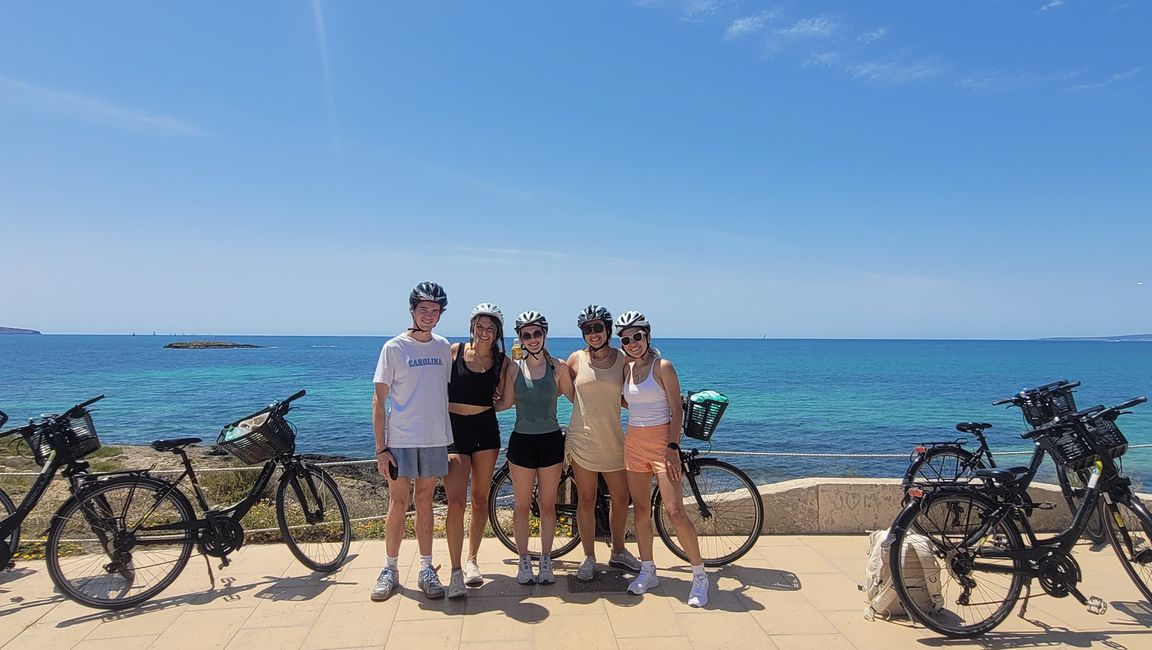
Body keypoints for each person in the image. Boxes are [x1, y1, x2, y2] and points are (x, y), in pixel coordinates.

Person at [616, 310, 710, 607]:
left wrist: (672, 446)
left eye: (637, 337)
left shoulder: (663, 366)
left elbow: (676, 409)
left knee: (674, 511)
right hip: (633, 443)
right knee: (641, 510)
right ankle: (648, 570)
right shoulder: (627, 370)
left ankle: (699, 576)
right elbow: (624, 400)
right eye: (626, 339)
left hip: (662, 445)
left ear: (648, 336)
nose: (632, 343)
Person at [370, 282, 453, 602]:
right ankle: (389, 568)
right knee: (398, 502)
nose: (429, 316)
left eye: (435, 311)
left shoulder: (443, 346)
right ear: (412, 310)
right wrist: (381, 448)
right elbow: (379, 400)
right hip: (401, 440)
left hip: (434, 438)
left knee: (425, 502)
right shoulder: (393, 348)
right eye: (423, 310)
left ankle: (427, 568)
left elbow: (443, 391)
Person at [495, 310, 574, 585]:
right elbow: (504, 403)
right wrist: (470, 411)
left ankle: (546, 560)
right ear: (520, 338)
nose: (532, 339)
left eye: (537, 333)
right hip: (522, 442)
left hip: (551, 441)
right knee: (521, 505)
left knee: (548, 505)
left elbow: (577, 399)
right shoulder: (514, 369)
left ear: (545, 334)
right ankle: (524, 560)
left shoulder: (558, 367)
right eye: (526, 335)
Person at [564, 305, 641, 580]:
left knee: (621, 498)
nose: (593, 333)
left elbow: (634, 390)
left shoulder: (622, 359)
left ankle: (618, 551)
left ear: (608, 329)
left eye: (597, 327)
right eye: (587, 329)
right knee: (586, 498)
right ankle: (588, 557)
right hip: (582, 439)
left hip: (613, 439)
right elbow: (556, 385)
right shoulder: (575, 359)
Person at [443, 303, 510, 598]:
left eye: (490, 328)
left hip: (486, 430)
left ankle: (471, 561)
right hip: (453, 430)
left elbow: (506, 401)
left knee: (480, 499)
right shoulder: (453, 351)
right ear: (472, 327)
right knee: (456, 503)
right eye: (480, 326)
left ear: (497, 332)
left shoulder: (503, 361)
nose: (485, 332)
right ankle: (455, 571)